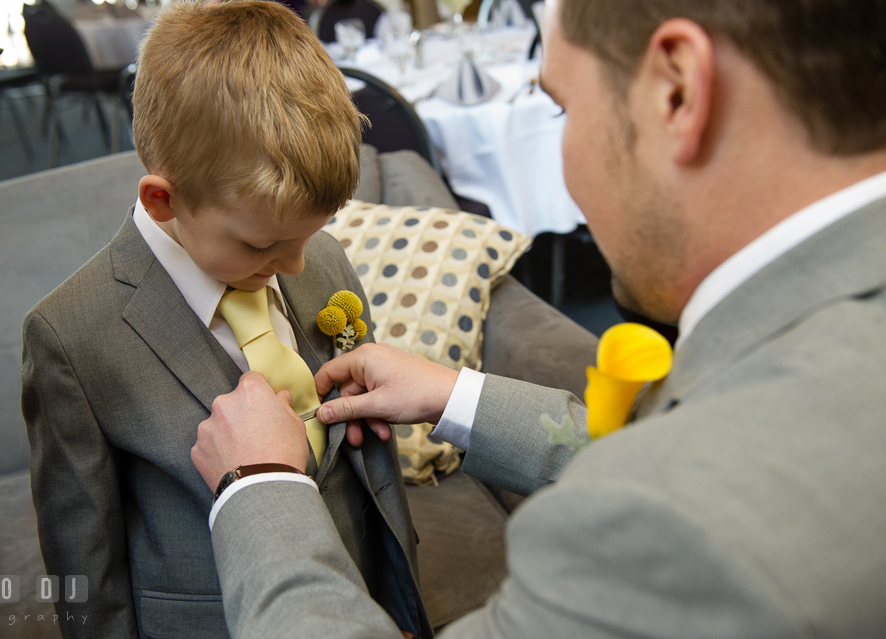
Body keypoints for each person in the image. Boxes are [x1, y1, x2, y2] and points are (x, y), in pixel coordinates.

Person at [190, 0, 886, 636]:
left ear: (676, 90)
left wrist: (260, 487)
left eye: (562, 109)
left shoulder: (669, 518)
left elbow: (695, 478)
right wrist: (455, 394)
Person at [21, 3, 429, 638]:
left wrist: (395, 600)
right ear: (163, 201)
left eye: (307, 239)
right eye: (261, 248)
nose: (294, 267)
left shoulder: (315, 257)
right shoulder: (72, 336)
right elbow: (86, 564)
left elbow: (369, 462)